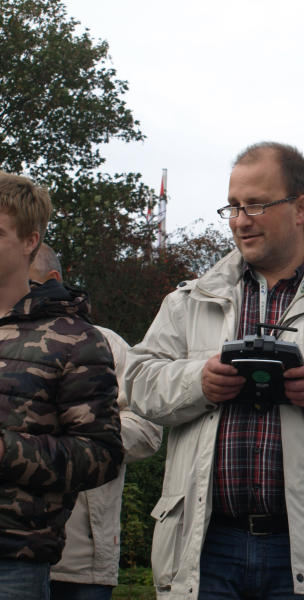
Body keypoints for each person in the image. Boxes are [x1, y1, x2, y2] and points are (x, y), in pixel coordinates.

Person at [125, 142, 304, 600]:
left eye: (257, 205)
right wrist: (198, 382)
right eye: (234, 206)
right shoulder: (189, 301)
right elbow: (138, 381)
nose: (241, 220)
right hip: (205, 550)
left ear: (301, 208)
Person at [0, 172, 123, 599]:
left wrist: (5, 450)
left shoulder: (74, 339)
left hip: (12, 563)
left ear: (29, 240)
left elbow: (101, 455)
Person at [29, 244, 163, 600]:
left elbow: (148, 429)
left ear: (52, 280)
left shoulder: (105, 345)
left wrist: (78, 437)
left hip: (80, 560)